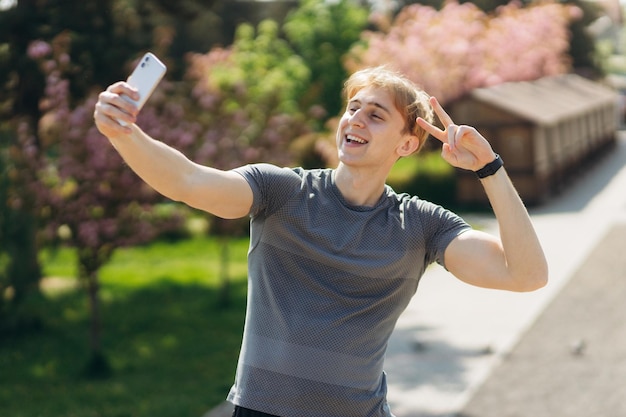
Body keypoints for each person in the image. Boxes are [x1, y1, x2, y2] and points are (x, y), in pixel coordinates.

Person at [94, 66, 548, 417]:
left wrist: (489, 170)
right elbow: (189, 182)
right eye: (352, 108)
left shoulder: (421, 225)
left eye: (375, 114)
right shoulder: (279, 192)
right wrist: (124, 133)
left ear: (407, 144)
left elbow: (525, 275)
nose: (355, 120)